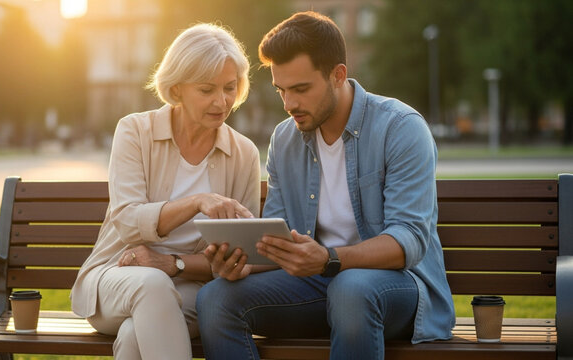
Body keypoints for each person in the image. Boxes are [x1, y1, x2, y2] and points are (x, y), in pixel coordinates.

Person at [196, 11, 455, 360]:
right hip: (320, 285)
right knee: (215, 298)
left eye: (301, 89)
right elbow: (278, 241)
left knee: (351, 289)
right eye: (281, 90)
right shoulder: (285, 139)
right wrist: (240, 263)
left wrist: (329, 259)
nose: (289, 105)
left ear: (338, 75)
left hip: (399, 287)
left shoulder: (401, 128)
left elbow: (408, 240)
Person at [70, 23, 260, 360]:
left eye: (230, 88)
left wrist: (175, 264)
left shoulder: (244, 153)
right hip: (117, 276)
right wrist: (197, 201)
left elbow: (241, 255)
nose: (222, 101)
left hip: (190, 290)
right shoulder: (134, 132)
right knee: (152, 287)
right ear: (176, 89)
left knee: (133, 337)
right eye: (207, 90)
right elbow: (128, 223)